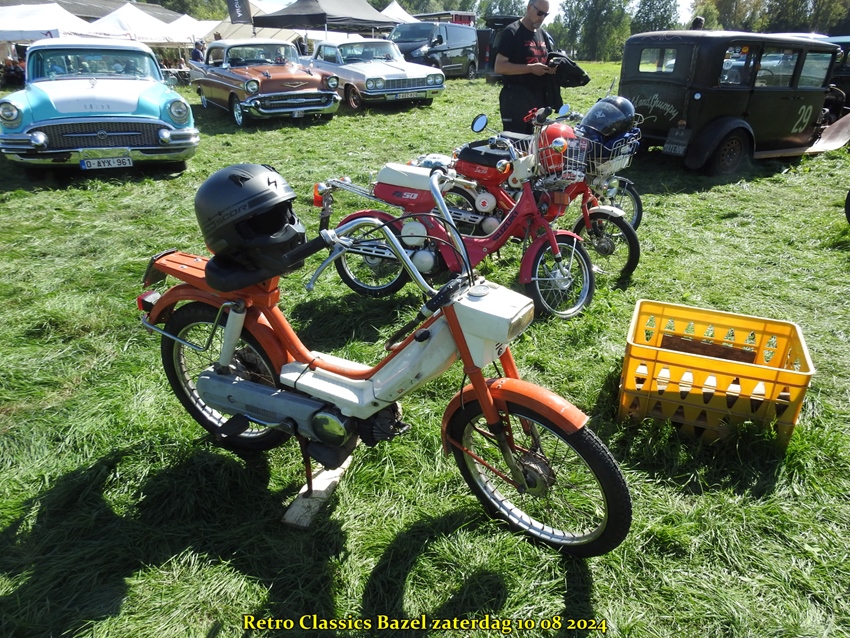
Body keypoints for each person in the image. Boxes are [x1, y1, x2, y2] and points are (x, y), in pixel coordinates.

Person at [494, 0, 558, 134]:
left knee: (538, 142)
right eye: (539, 13)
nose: (542, 18)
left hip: (539, 98)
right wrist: (530, 68)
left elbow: (549, 58)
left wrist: (551, 67)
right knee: (518, 142)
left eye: (545, 14)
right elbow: (499, 67)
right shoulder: (512, 32)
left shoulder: (543, 34)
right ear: (529, 8)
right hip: (516, 99)